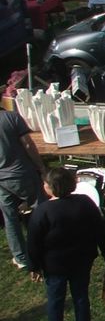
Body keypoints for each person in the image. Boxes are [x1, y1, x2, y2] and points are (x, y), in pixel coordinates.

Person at [27, 167, 105, 321]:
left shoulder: (43, 211)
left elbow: (33, 242)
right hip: (81, 261)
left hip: (54, 266)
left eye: (45, 183)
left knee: (55, 301)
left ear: (51, 187)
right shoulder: (85, 202)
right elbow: (99, 229)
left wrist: (34, 266)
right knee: (81, 298)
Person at [0, 109, 46, 269]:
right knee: (41, 209)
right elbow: (28, 143)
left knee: (10, 218)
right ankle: (48, 249)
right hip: (22, 174)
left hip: (1, 179)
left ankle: (20, 257)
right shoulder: (11, 117)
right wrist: (41, 167)